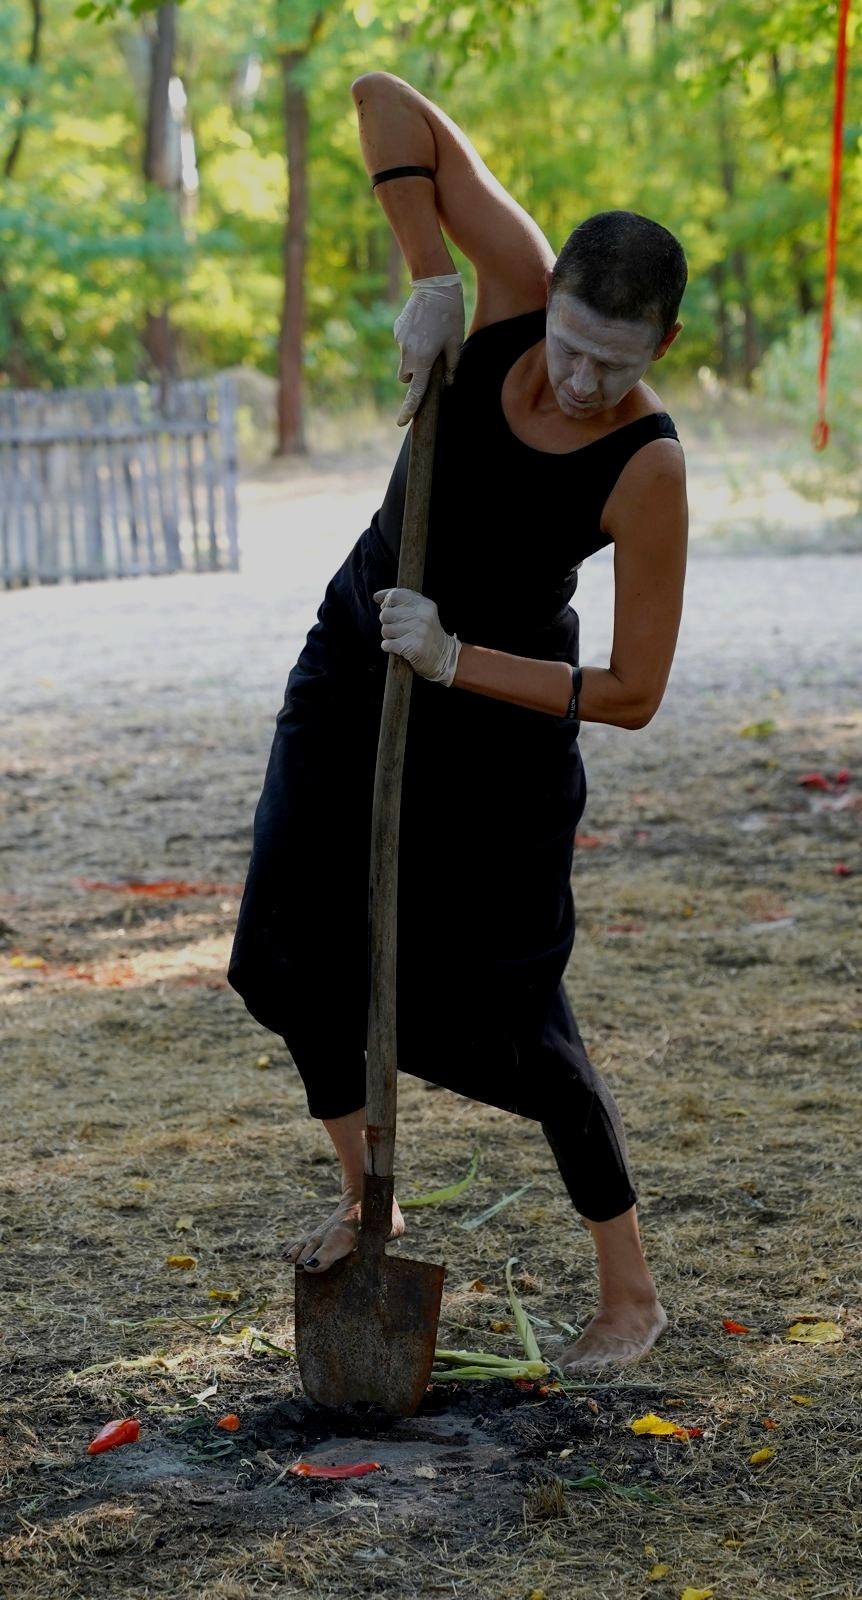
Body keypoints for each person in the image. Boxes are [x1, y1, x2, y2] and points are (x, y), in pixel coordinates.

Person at [227, 70, 689, 1371]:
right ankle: (368, 1196)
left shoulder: (646, 468)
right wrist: (429, 271)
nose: (583, 379)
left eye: (616, 362)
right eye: (570, 345)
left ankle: (628, 1291)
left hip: (497, 728)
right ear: (548, 299)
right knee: (281, 950)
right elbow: (383, 97)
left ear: (659, 350)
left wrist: (456, 658)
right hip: (360, 648)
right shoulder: (507, 288)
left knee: (507, 1006)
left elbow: (634, 693)